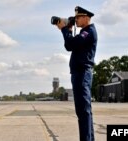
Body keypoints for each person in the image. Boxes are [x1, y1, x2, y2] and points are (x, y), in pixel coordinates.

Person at [55, 6, 97, 141]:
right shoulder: (84, 32)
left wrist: (63, 29)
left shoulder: (88, 31)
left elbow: (71, 44)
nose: (76, 20)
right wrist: (67, 30)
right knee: (84, 112)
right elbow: (69, 46)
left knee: (83, 111)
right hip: (79, 74)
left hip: (82, 73)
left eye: (78, 17)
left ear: (86, 18)